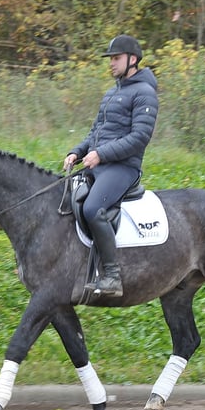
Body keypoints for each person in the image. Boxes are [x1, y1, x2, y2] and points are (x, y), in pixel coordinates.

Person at [63, 34, 158, 296]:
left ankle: (112, 276)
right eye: (111, 59)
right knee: (63, 199)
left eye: (116, 58)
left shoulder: (144, 93)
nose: (111, 63)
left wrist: (101, 154)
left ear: (133, 59)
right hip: (99, 164)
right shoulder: (111, 93)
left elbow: (139, 138)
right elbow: (96, 131)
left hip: (123, 168)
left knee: (94, 208)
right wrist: (77, 151)